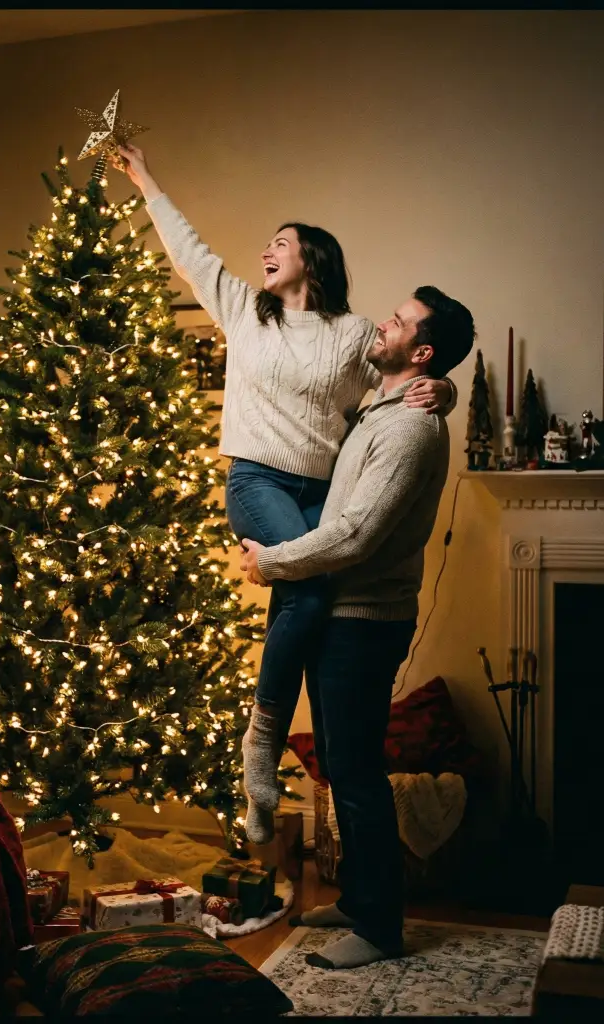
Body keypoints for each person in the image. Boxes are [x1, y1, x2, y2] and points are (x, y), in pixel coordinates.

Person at [113, 144, 458, 845]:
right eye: (267, 245)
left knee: (315, 606)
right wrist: (146, 176)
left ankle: (295, 781)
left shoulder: (355, 334)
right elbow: (189, 249)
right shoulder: (244, 308)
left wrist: (446, 388)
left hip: (322, 496)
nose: (266, 252)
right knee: (303, 597)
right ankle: (261, 753)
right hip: (258, 481)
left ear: (314, 260)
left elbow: (405, 369)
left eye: (282, 244)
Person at [239, 286, 475, 970]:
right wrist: (444, 390)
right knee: (347, 768)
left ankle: (378, 928)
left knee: (357, 772)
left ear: (421, 352)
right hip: (339, 614)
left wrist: (273, 562)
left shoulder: (410, 428)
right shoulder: (388, 398)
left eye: (398, 322)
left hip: (365, 624)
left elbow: (357, 535)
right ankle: (359, 898)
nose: (383, 322)